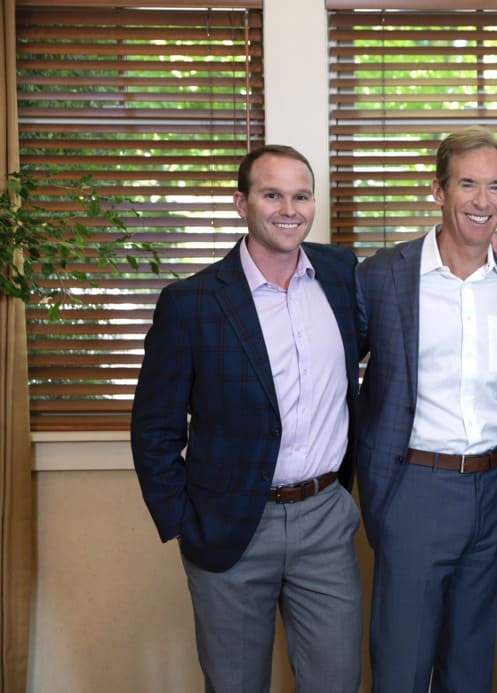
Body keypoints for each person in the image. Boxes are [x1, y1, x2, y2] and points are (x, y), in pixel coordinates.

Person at [131, 144, 363, 693]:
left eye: (301, 195)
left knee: (337, 682)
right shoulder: (191, 303)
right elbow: (154, 428)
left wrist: (480, 244)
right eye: (272, 194)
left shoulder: (343, 273)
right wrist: (186, 523)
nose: (290, 209)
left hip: (326, 518)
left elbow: (413, 294)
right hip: (231, 525)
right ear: (242, 203)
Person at [354, 125, 497, 693]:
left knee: (470, 663)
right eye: (468, 185)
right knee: (403, 663)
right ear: (437, 191)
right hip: (414, 487)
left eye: (496, 187)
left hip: (491, 491)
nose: (484, 201)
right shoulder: (382, 275)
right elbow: (329, 366)